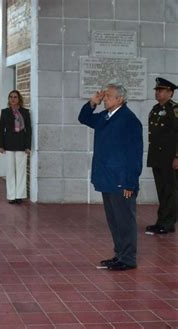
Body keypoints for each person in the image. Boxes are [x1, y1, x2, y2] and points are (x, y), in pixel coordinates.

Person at [78, 83, 143, 271]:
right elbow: (84, 118)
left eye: (108, 96)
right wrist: (93, 102)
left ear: (120, 99)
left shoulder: (129, 120)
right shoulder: (106, 116)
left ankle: (128, 258)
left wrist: (131, 182)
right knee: (114, 220)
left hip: (122, 181)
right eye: (104, 96)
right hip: (107, 179)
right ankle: (119, 254)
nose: (105, 98)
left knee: (125, 221)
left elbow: (135, 154)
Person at [145, 77, 178, 235]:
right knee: (162, 190)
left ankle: (169, 222)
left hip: (170, 157)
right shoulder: (156, 109)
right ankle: (162, 221)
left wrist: (177, 157)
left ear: (170, 93)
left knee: (170, 190)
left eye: (161, 90)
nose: (158, 93)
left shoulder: (175, 109)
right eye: (157, 90)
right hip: (158, 157)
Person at [0, 90, 31, 204]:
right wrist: (1, 145)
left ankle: (19, 196)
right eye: (11, 97)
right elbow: (1, 129)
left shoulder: (25, 112)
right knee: (10, 171)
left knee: (21, 171)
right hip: (9, 144)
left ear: (19, 99)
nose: (13, 99)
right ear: (9, 99)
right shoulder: (5, 112)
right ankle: (11, 196)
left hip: (22, 144)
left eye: (15, 97)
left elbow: (28, 130)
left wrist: (28, 146)